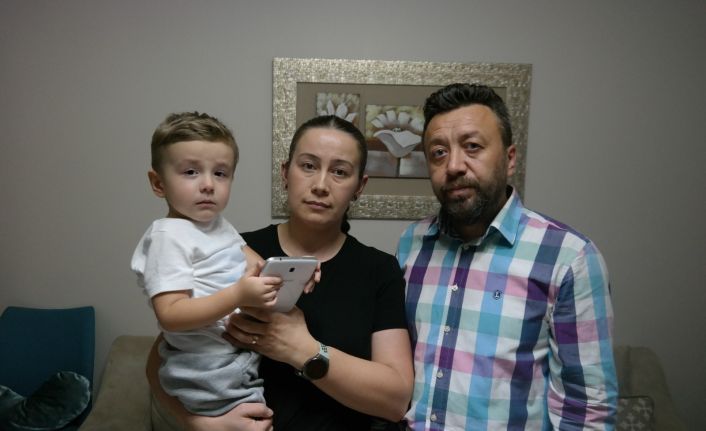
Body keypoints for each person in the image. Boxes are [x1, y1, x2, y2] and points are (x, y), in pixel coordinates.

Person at [147, 114, 414, 431]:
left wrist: (301, 348)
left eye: (340, 172)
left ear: (360, 186)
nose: (320, 185)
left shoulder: (378, 270)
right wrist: (199, 424)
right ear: (286, 173)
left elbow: (396, 401)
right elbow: (162, 359)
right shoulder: (232, 249)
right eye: (308, 166)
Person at [396, 83, 617, 430]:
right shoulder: (413, 243)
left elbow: (586, 409)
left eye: (472, 146)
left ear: (510, 159)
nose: (453, 165)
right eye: (438, 152)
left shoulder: (568, 257)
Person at [132, 112, 285, 417]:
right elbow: (171, 315)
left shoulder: (219, 226)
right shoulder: (168, 237)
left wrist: (296, 271)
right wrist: (238, 295)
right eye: (190, 172)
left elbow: (257, 265)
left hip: (235, 354)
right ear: (158, 183)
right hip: (204, 366)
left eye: (220, 173)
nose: (208, 184)